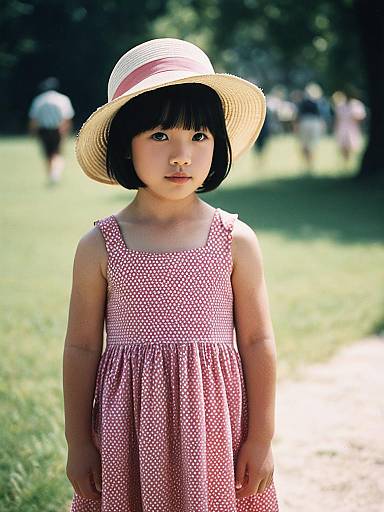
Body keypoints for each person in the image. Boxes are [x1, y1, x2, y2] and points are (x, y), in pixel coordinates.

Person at [63, 38, 279, 512]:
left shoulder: (234, 239)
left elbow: (258, 342)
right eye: (160, 136)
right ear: (126, 146)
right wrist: (78, 443)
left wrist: (261, 438)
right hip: (129, 436)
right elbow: (81, 347)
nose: (181, 155)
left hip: (215, 434)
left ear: (217, 145)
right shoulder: (100, 245)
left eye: (199, 136)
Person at [28, 77, 75, 185]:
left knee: (47, 154)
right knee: (57, 153)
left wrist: (32, 132)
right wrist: (66, 131)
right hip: (57, 130)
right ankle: (55, 174)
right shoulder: (63, 99)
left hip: (43, 130)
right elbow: (67, 117)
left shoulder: (39, 100)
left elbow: (34, 119)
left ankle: (51, 174)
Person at [295, 83, 326, 173]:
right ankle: (308, 164)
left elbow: (298, 115)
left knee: (308, 145)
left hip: (307, 123)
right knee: (309, 145)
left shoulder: (307, 103)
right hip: (310, 123)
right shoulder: (317, 103)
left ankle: (308, 164)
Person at [333, 90, 366, 165]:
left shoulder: (356, 104)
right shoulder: (340, 105)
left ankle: (352, 162)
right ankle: (346, 162)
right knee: (343, 147)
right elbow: (337, 118)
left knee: (353, 146)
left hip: (352, 128)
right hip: (342, 127)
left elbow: (360, 117)